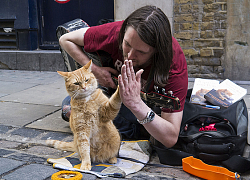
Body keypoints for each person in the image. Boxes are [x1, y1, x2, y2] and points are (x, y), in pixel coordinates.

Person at [59, 5, 188, 148]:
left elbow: (170, 138)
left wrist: (136, 104)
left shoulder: (173, 66)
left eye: (141, 52)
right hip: (112, 93)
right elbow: (65, 39)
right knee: (70, 105)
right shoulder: (116, 31)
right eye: (127, 44)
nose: (130, 56)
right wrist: (95, 71)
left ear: (156, 51)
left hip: (143, 106)